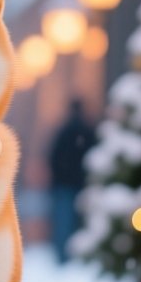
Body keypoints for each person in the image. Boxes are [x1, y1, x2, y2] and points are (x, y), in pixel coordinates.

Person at [46, 99, 95, 264]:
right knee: (77, 223)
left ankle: (63, 257)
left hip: (64, 187)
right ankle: (77, 258)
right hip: (81, 186)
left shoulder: (64, 131)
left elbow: (53, 159)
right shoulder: (87, 131)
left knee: (63, 224)